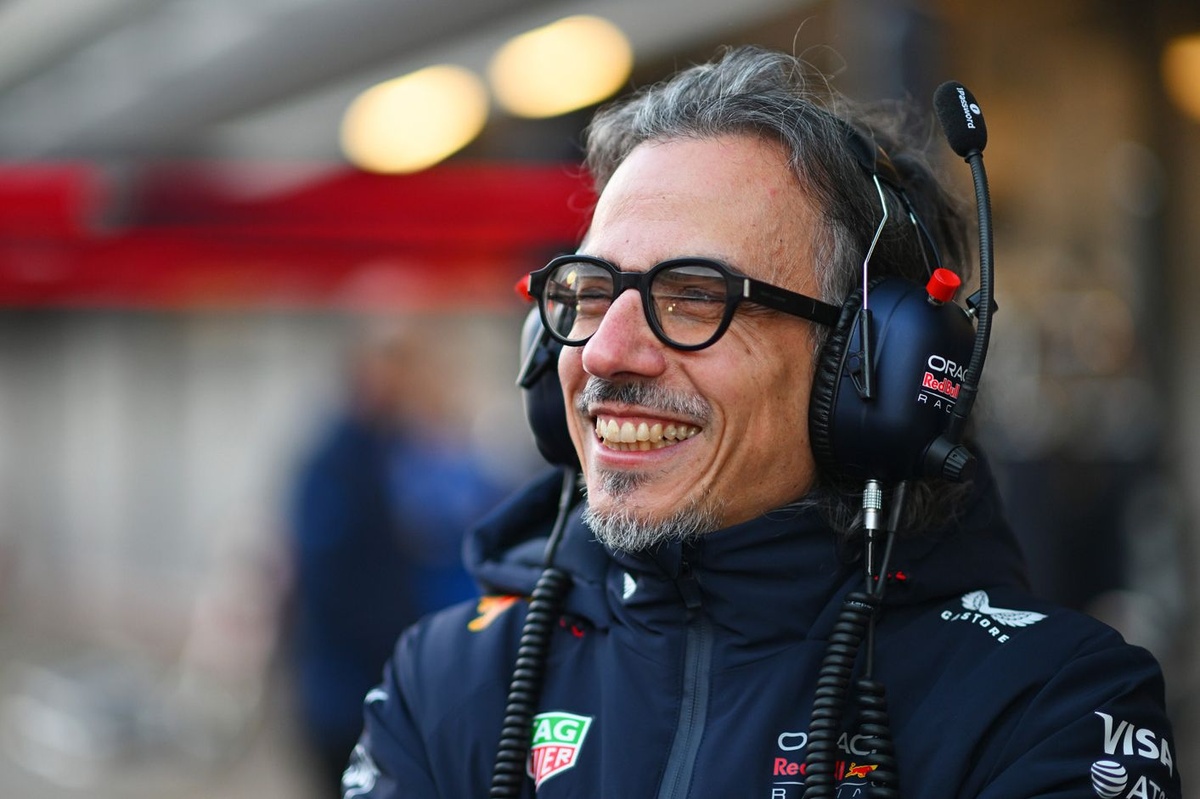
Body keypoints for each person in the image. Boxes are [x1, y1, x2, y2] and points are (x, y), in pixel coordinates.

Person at [341, 46, 1182, 798]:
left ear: (870, 367)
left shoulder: (1047, 703)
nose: (603, 352)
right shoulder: (446, 681)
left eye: (694, 295)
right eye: (591, 292)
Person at [288, 322, 503, 793]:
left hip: (420, 677)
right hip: (355, 687)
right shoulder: (343, 463)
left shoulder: (418, 452)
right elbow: (334, 583)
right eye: (402, 365)